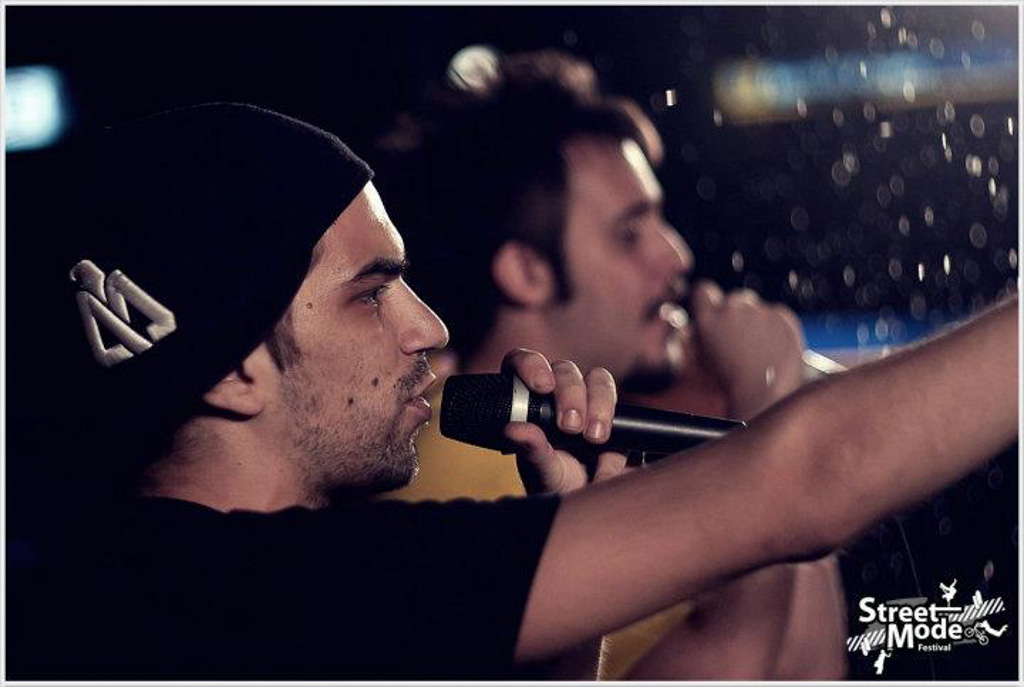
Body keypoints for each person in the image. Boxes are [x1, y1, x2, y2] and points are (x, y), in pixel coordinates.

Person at [8, 102, 1018, 681]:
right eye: (372, 293)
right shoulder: (278, 591)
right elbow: (810, 479)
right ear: (233, 368)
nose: (428, 328)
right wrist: (765, 394)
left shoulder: (151, 586)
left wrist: (560, 542)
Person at [374, 49, 843, 678]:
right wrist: (769, 401)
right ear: (528, 272)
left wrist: (779, 416)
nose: (676, 256)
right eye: (629, 234)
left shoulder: (568, 441)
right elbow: (735, 667)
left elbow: (807, 669)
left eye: (660, 222)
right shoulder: (465, 464)